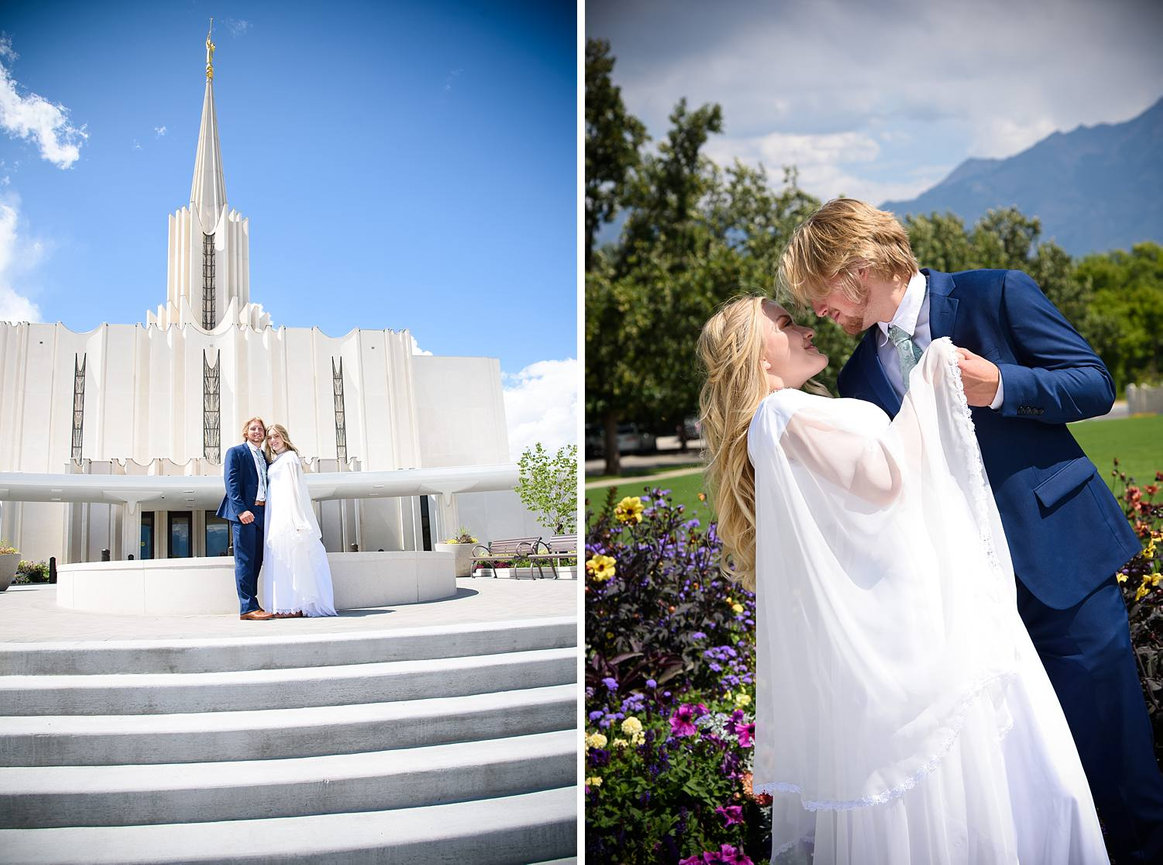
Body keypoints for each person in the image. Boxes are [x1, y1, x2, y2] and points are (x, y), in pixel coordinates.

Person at [779, 198, 1163, 862]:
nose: (818, 312)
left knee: (1117, 770)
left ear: (859, 267)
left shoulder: (998, 293)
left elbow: (1093, 383)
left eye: (819, 293)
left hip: (1059, 572)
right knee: (1031, 788)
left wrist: (1001, 385)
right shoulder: (855, 376)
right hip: (962, 610)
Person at [698, 296, 1108, 864]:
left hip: (913, 617)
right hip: (912, 633)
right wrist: (931, 373)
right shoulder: (782, 413)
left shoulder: (791, 414)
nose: (806, 327)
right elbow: (885, 475)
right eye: (786, 324)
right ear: (755, 357)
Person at [261, 423, 336, 618]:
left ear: (283, 437)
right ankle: (284, 604)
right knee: (281, 558)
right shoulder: (276, 460)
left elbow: (296, 490)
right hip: (275, 511)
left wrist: (297, 519)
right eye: (269, 438)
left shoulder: (290, 459)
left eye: (276, 436)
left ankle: (297, 605)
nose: (273, 441)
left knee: (294, 557)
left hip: (288, 512)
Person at [217, 416, 273, 621]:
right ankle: (247, 608)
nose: (257, 432)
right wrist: (241, 510)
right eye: (253, 429)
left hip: (262, 513)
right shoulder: (236, 452)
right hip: (245, 514)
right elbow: (231, 482)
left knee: (257, 560)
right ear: (246, 432)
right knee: (245, 561)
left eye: (260, 429)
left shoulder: (266, 457)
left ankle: (254, 604)